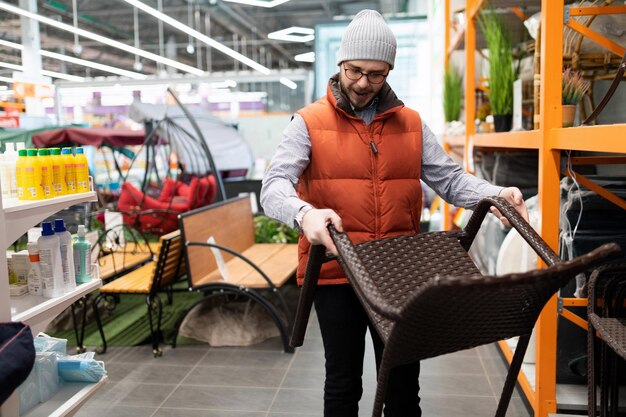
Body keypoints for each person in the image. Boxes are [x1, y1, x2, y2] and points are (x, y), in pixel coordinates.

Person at [260, 9, 528, 417]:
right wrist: (304, 215)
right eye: (354, 71)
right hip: (338, 274)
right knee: (343, 382)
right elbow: (273, 186)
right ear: (340, 64)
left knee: (403, 387)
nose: (364, 83)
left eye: (377, 74)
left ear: (389, 71)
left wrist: (496, 195)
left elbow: (452, 181)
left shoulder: (412, 125)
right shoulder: (308, 123)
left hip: (399, 274)